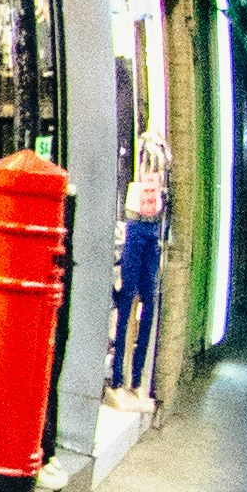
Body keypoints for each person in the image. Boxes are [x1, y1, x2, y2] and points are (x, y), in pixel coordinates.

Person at [108, 144, 168, 398]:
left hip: (151, 229)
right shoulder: (140, 156)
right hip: (138, 227)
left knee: (147, 305)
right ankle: (120, 377)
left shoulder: (159, 168)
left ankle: (134, 379)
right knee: (128, 302)